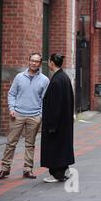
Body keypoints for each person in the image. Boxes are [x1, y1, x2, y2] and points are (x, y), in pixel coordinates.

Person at [0, 53, 49, 180]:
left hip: (34, 116)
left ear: (40, 63)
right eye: (32, 60)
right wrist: (12, 109)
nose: (33, 63)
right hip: (18, 115)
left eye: (36, 61)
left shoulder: (44, 80)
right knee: (10, 143)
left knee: (30, 144)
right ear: (28, 61)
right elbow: (12, 94)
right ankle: (4, 169)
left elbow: (45, 100)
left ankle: (28, 169)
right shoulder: (19, 77)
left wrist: (40, 115)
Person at [41, 54, 75, 183]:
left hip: (56, 123)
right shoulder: (64, 77)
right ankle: (60, 171)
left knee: (55, 147)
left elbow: (55, 106)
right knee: (62, 147)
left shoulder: (56, 80)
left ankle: (56, 173)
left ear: (51, 63)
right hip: (64, 122)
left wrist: (51, 125)